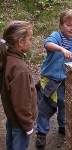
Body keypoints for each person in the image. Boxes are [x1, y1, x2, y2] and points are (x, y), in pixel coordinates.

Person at [35, 9, 72, 148]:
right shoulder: (56, 37)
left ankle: (62, 126)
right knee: (45, 107)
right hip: (50, 80)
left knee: (64, 104)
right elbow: (47, 44)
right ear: (61, 25)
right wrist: (61, 49)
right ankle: (41, 133)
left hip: (65, 80)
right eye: (68, 25)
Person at [0, 21, 37, 150]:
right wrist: (28, 126)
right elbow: (21, 101)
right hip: (21, 123)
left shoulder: (7, 58)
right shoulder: (19, 68)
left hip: (12, 118)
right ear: (20, 42)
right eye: (30, 39)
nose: (31, 42)